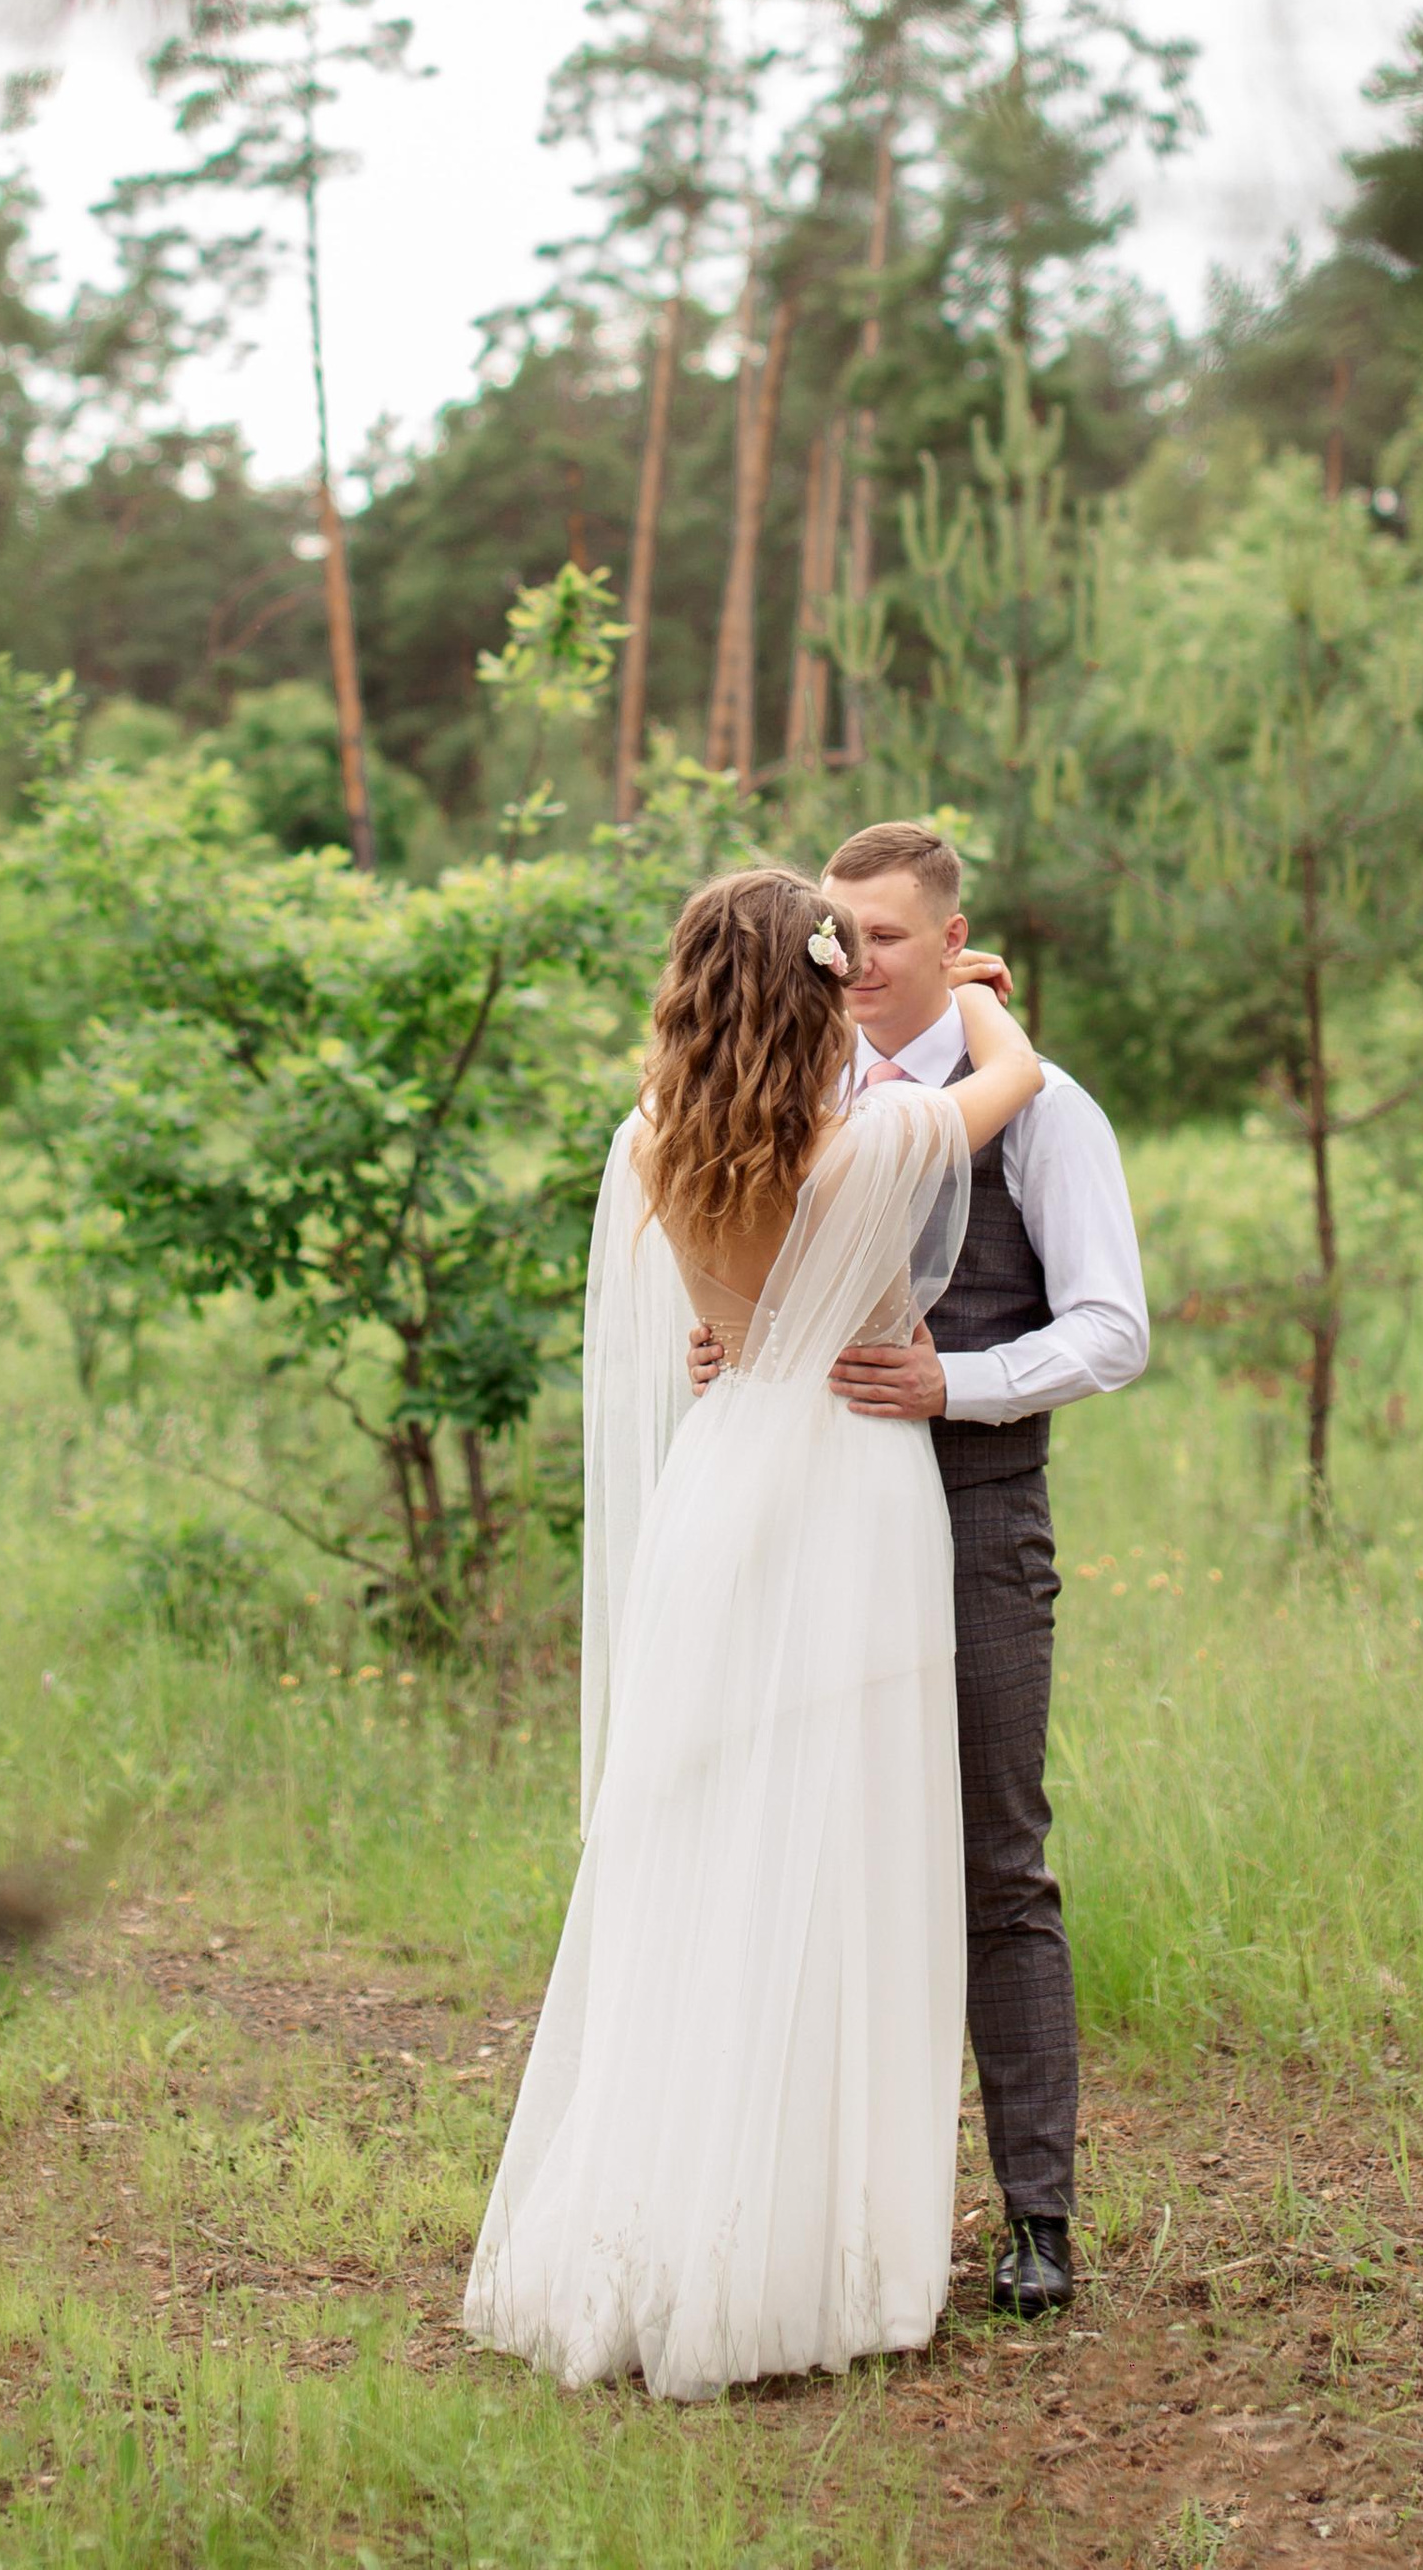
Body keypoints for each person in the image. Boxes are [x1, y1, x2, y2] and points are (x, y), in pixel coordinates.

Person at [463, 865, 1046, 2398]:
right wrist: (976, 994)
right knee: (842, 1856)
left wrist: (747, 1332)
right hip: (852, 1497)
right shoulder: (876, 1143)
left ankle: (666, 2220)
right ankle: (814, 2244)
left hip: (717, 1499)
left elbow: (702, 1338)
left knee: (711, 1851)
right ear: (810, 986)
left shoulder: (650, 1147)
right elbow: (1019, 1080)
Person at [690, 821, 1147, 2322]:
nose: (856, 961)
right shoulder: (787, 1091)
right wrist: (734, 1340)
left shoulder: (1041, 1111)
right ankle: (825, 2214)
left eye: (887, 938)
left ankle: (1037, 2220)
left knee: (996, 1869)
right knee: (812, 1861)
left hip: (971, 1526)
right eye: (838, 933)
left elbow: (1111, 1329)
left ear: (956, 946)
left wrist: (959, 1385)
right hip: (807, 1536)